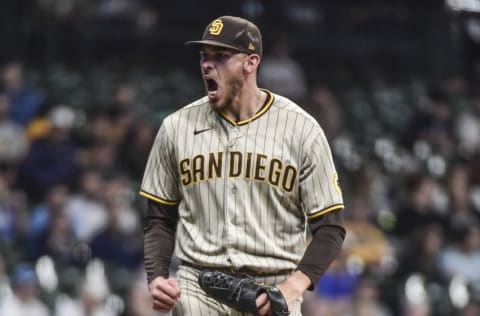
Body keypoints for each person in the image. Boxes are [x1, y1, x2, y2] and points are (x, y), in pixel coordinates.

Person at [139, 15, 346, 316]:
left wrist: (294, 286)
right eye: (204, 57)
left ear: (251, 63)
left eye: (220, 57)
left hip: (274, 290)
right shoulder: (175, 128)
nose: (208, 65)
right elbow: (158, 218)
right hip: (199, 288)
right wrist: (157, 277)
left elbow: (330, 227)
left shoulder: (302, 130)